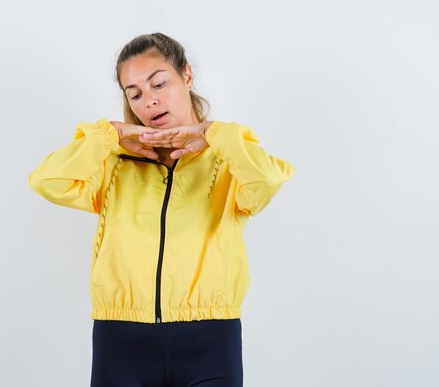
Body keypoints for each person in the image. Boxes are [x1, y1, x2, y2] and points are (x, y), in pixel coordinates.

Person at [28, 32, 295, 387]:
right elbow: (47, 181)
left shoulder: (229, 160)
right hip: (120, 341)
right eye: (135, 93)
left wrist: (214, 134)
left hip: (211, 341)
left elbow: (267, 181)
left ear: (186, 76)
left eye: (158, 84)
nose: (149, 101)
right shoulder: (114, 163)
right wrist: (107, 136)